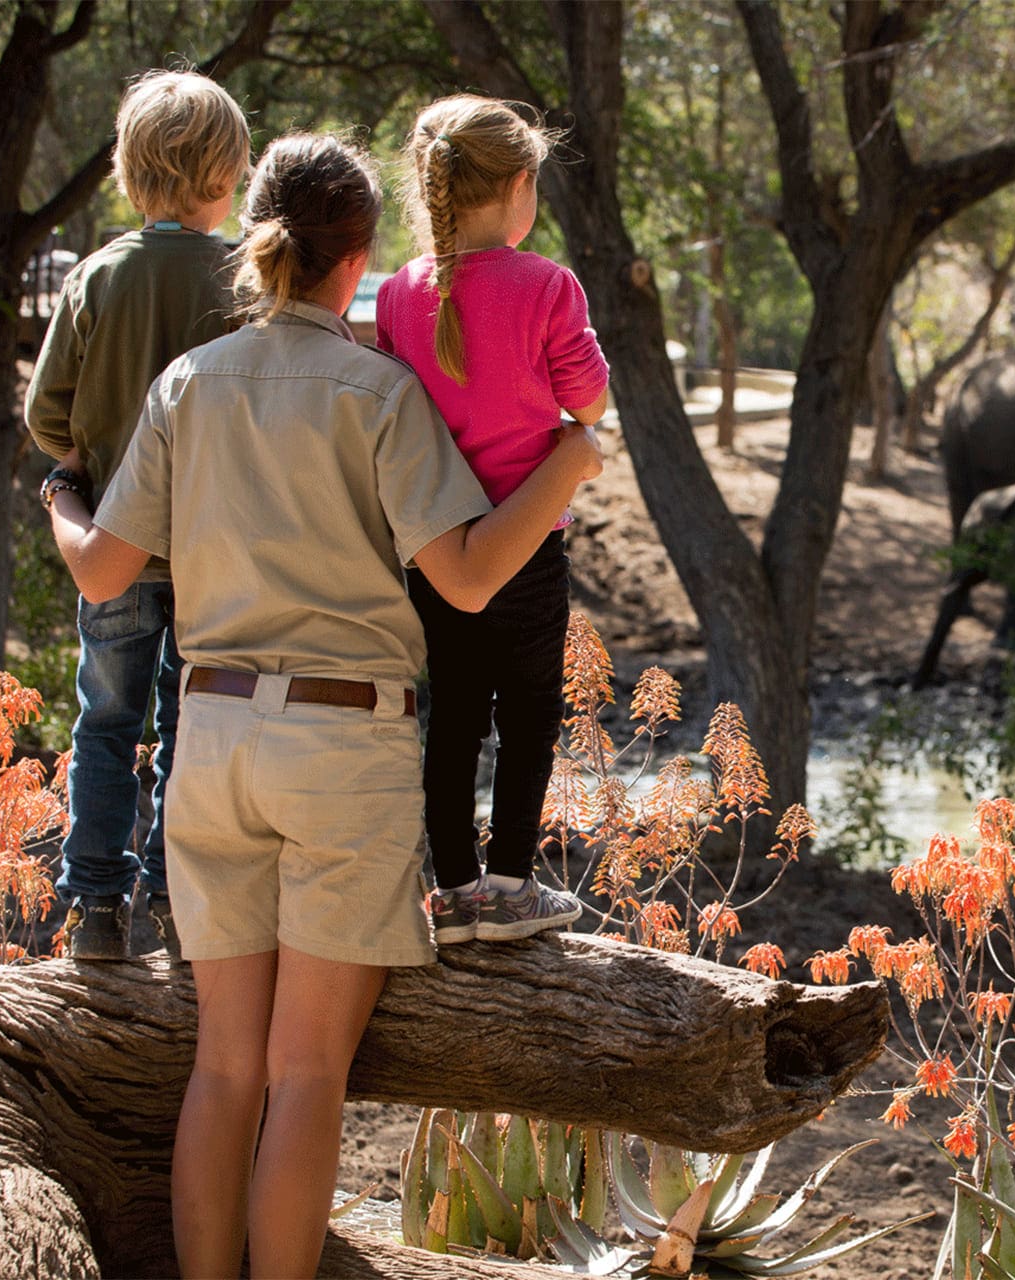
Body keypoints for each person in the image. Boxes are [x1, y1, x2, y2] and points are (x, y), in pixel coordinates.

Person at [45, 132, 604, 1278]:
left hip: (212, 743)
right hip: (342, 744)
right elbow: (465, 576)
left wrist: (61, 497)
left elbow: (103, 571)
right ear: (359, 263)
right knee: (307, 1074)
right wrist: (569, 460)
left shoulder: (187, 382)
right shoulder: (379, 392)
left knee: (225, 1068)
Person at [24, 70, 249, 960]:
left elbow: (49, 416)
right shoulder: (239, 277)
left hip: (114, 540)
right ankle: (171, 902)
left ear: (126, 171)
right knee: (192, 728)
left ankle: (94, 912)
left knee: (105, 725)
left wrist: (84, 454)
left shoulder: (99, 274)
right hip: (211, 554)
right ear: (228, 178)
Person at [375, 94, 610, 943]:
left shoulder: (401, 292)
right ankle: (512, 886)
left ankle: (453, 893)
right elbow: (588, 398)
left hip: (435, 545)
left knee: (455, 715)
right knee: (530, 716)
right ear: (518, 185)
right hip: (527, 543)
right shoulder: (548, 284)